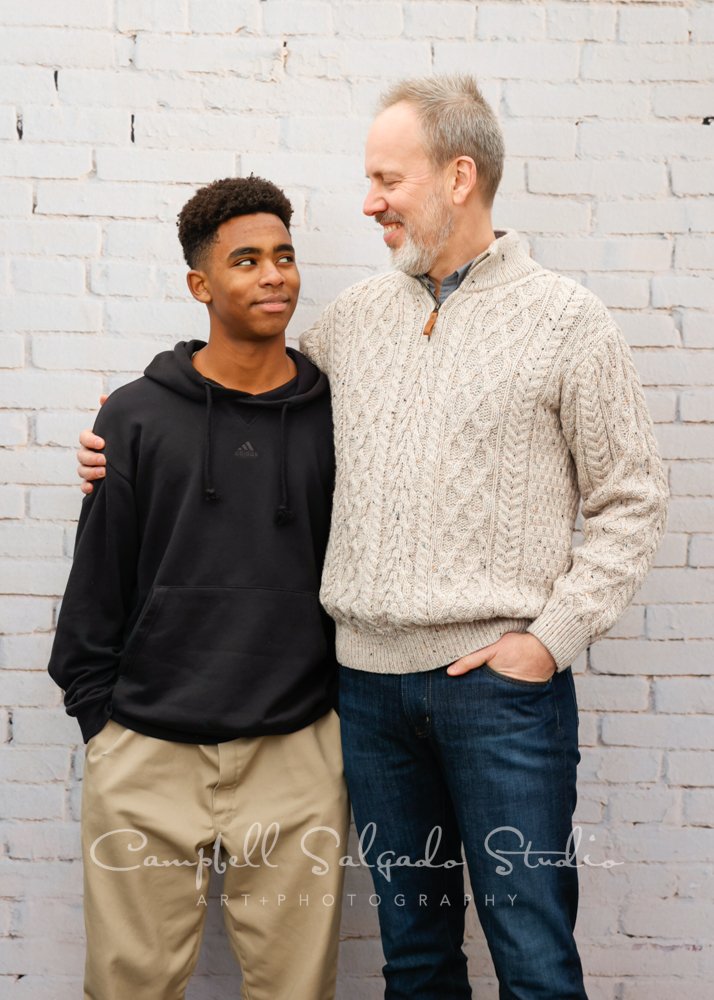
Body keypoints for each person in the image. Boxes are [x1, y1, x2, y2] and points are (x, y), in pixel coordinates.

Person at [77, 76, 669, 999]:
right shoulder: (352, 323)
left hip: (498, 697)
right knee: (416, 957)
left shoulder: (568, 322)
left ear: (459, 177)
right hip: (366, 695)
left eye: (388, 179)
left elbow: (632, 498)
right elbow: (247, 395)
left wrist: (548, 643)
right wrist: (124, 428)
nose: (369, 201)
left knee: (534, 956)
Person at [49, 176, 349, 1000]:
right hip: (145, 751)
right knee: (128, 988)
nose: (273, 276)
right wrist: (101, 722)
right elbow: (99, 576)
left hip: (294, 749)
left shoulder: (338, 415)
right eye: (246, 260)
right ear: (200, 285)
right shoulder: (138, 417)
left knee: (298, 989)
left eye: (284, 257)